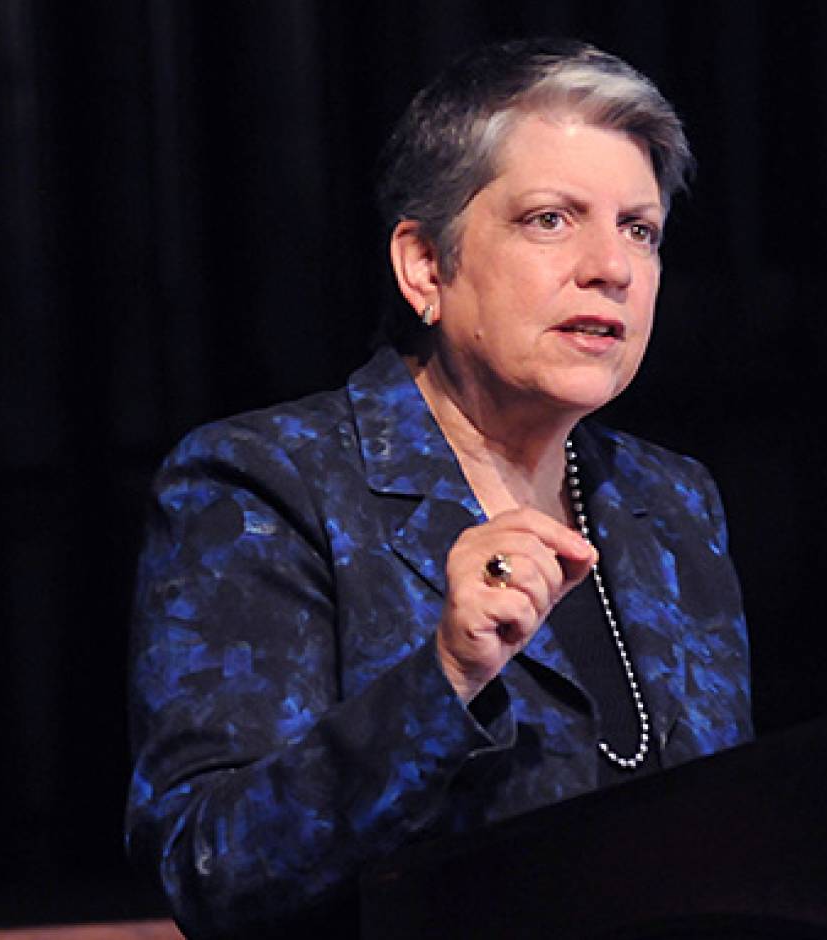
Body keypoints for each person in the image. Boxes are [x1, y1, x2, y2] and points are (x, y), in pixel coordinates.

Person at [124, 38, 752, 936]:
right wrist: (447, 675)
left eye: (639, 229)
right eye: (550, 219)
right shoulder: (266, 484)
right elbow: (210, 869)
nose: (610, 266)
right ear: (425, 266)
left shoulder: (675, 504)